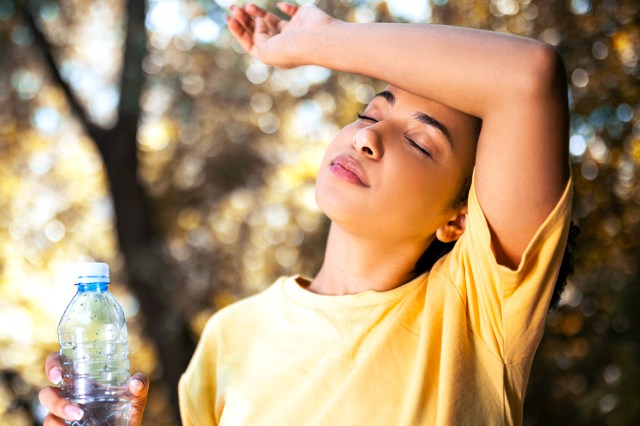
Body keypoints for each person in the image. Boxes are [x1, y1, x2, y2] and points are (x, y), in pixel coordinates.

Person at [40, 2, 573, 425]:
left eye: (418, 141)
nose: (367, 136)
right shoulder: (229, 338)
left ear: (459, 218)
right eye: (369, 113)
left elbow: (530, 74)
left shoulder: (474, 312)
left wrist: (321, 39)